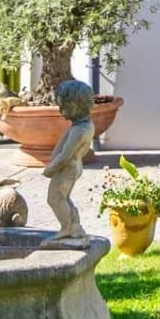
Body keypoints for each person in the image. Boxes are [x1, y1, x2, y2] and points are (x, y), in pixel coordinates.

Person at [42, 81, 96, 243]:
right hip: (74, 166)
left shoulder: (78, 131)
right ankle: (75, 226)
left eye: (62, 106)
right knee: (65, 198)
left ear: (75, 105)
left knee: (55, 198)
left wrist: (50, 169)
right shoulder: (86, 126)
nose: (60, 110)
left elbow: (65, 155)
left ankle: (66, 227)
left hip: (67, 168)